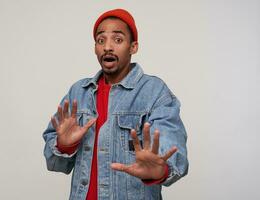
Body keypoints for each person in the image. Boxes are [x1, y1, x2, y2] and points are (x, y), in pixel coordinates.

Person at [43, 8, 188, 200]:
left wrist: (160, 169)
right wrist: (64, 145)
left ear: (133, 47)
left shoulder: (155, 91)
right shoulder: (78, 92)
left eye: (118, 40)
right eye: (101, 40)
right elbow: (55, 163)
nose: (107, 47)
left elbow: (175, 157)